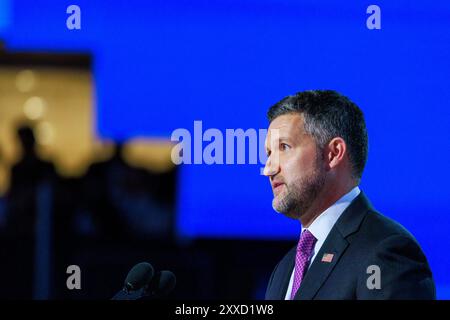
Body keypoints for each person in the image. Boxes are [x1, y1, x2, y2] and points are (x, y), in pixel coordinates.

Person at [263, 90, 435, 300]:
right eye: (269, 153)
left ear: (333, 153)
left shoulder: (385, 252)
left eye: (284, 147)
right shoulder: (285, 269)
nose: (268, 169)